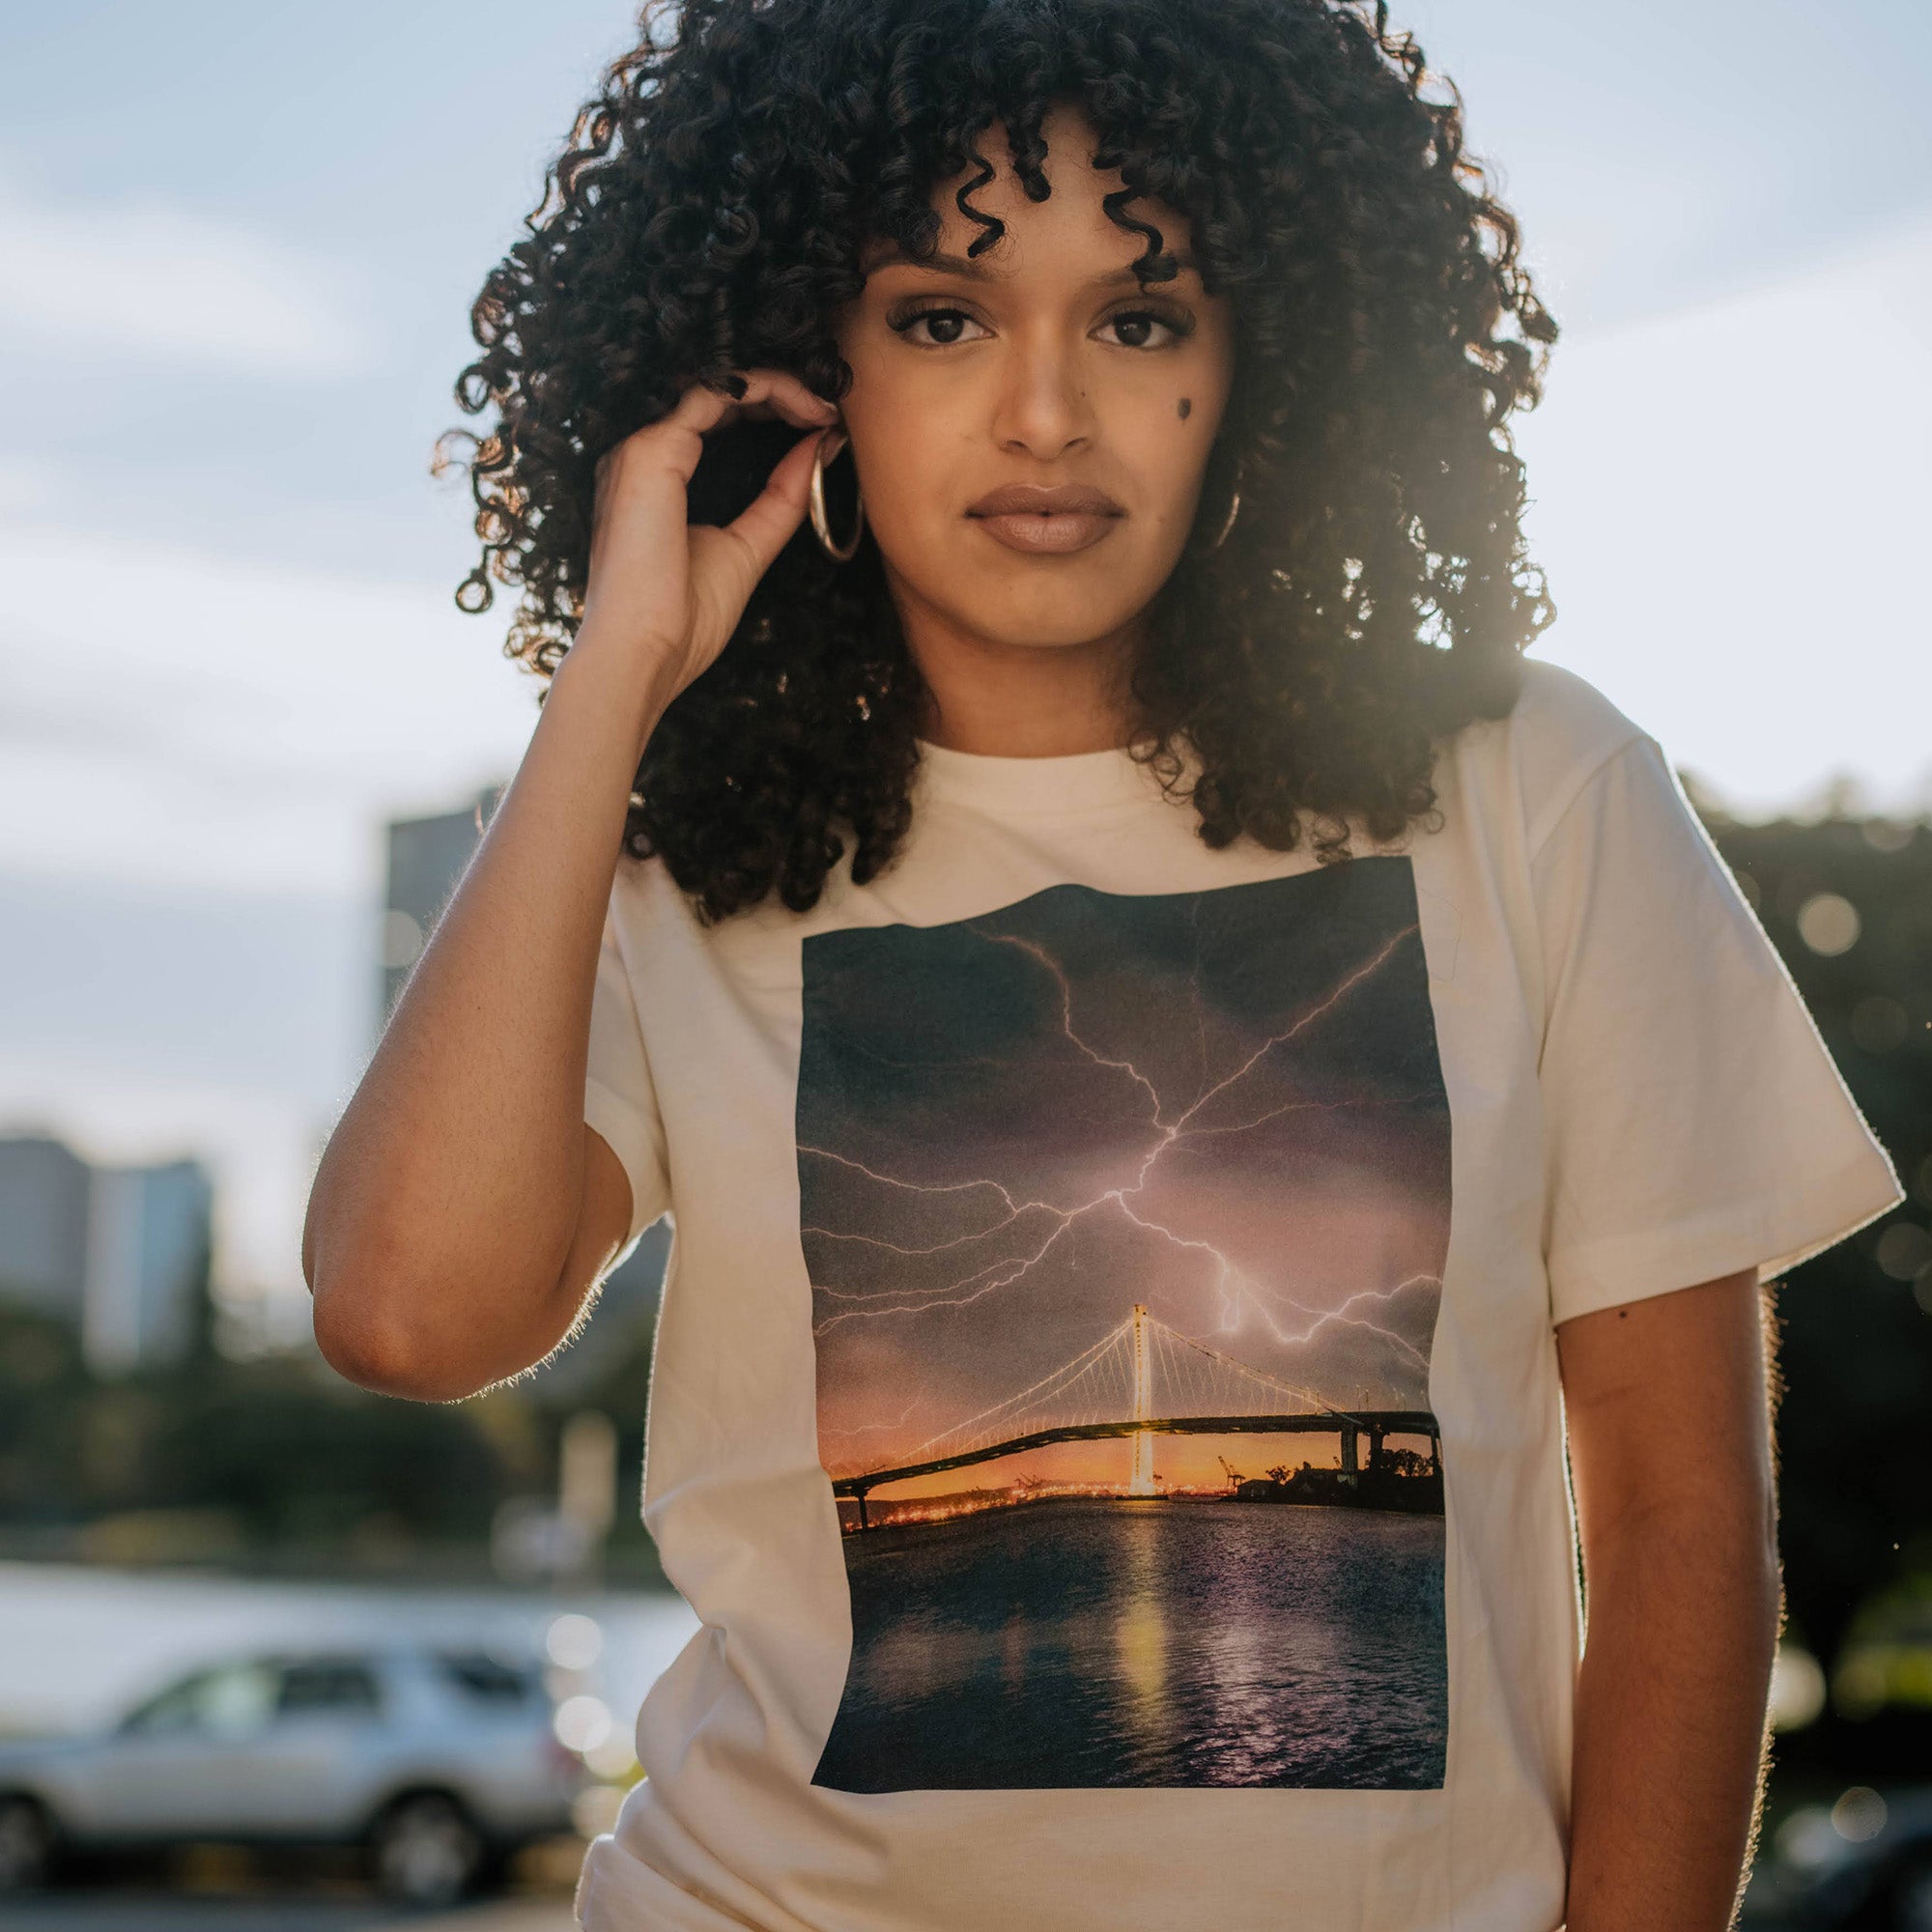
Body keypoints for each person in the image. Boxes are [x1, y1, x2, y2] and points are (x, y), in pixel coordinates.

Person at [302, 2, 1901, 1927]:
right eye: (943, 316)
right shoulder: (676, 859)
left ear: (1258, 364)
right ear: (811, 368)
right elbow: (408, 1314)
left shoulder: (1528, 788)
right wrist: (615, 680)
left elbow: (1676, 1518)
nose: (1044, 411)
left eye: (1138, 318)